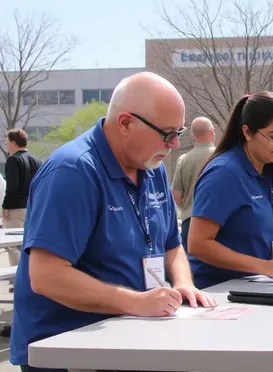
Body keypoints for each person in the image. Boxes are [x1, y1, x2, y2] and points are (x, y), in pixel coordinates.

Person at [9, 72, 216, 371]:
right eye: (167, 133)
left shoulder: (152, 167)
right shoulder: (73, 171)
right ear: (125, 123)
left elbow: (172, 246)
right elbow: (46, 277)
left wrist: (184, 284)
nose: (173, 145)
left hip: (131, 337)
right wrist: (136, 302)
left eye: (179, 133)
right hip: (68, 349)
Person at [188, 92, 273, 289]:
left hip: (258, 287)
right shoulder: (224, 173)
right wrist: (266, 267)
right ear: (247, 132)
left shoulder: (268, 168)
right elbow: (198, 244)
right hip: (219, 292)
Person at [171, 117, 216, 251]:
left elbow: (177, 195)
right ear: (212, 131)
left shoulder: (183, 160)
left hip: (189, 220)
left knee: (190, 266)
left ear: (193, 135)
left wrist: (187, 207)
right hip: (215, 221)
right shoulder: (221, 157)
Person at [3, 128, 42, 267]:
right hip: (34, 206)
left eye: (7, 141)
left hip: (16, 207)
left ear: (13, 142)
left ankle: (17, 280)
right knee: (30, 244)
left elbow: (12, 186)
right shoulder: (36, 160)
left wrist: (5, 206)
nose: (6, 144)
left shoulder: (13, 160)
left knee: (13, 245)